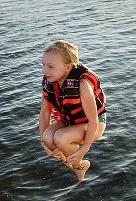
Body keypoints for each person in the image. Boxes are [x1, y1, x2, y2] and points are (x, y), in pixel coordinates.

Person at [38, 40, 106, 182]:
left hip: (94, 124)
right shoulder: (49, 82)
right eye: (43, 65)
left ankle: (79, 165)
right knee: (48, 138)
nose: (45, 70)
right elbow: (45, 113)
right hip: (70, 120)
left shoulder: (82, 84)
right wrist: (44, 143)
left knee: (61, 138)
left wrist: (84, 149)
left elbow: (93, 120)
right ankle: (79, 167)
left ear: (68, 67)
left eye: (50, 66)